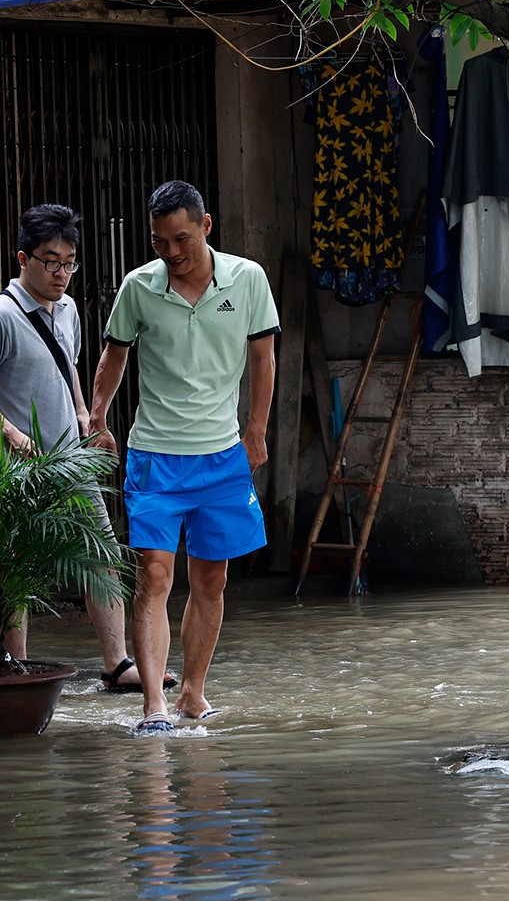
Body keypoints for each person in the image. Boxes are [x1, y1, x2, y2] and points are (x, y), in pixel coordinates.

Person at [88, 181, 279, 736]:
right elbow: (113, 355)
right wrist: (98, 419)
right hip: (155, 457)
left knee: (212, 581)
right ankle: (154, 704)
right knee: (152, 576)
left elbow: (264, 359)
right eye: (159, 241)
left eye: (181, 239)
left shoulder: (247, 280)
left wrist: (257, 431)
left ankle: (193, 693)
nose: (171, 252)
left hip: (222, 456)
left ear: (206, 226)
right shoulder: (138, 287)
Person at [0, 203, 173, 693]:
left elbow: (69, 366)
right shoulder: (5, 315)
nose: (62, 273)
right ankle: (18, 666)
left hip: (70, 461)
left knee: (99, 555)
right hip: (21, 472)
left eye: (70, 262)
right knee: (18, 569)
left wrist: (86, 417)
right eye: (51, 261)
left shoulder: (70, 309)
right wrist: (11, 433)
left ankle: (117, 664)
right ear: (23, 259)